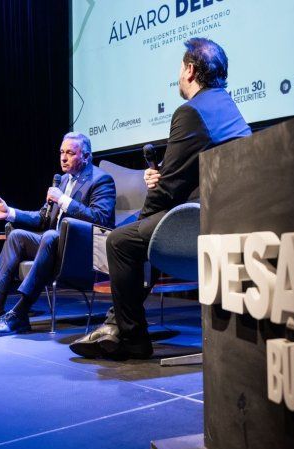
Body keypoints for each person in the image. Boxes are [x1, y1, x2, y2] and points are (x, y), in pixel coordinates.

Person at [70, 38, 251, 359]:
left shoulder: (191, 112)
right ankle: (115, 324)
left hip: (203, 222)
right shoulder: (227, 108)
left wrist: (149, 204)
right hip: (231, 215)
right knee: (137, 235)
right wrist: (163, 178)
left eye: (181, 69)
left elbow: (167, 192)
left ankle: (132, 338)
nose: (179, 75)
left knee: (121, 241)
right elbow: (188, 173)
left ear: (191, 70)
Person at [0, 132, 116, 335]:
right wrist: (10, 212)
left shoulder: (101, 180)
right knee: (17, 236)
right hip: (56, 247)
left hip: (86, 254)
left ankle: (19, 314)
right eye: (61, 152)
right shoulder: (63, 180)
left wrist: (63, 200)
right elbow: (42, 217)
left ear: (86, 156)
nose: (63, 158)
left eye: (70, 153)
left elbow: (100, 219)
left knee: (50, 236)